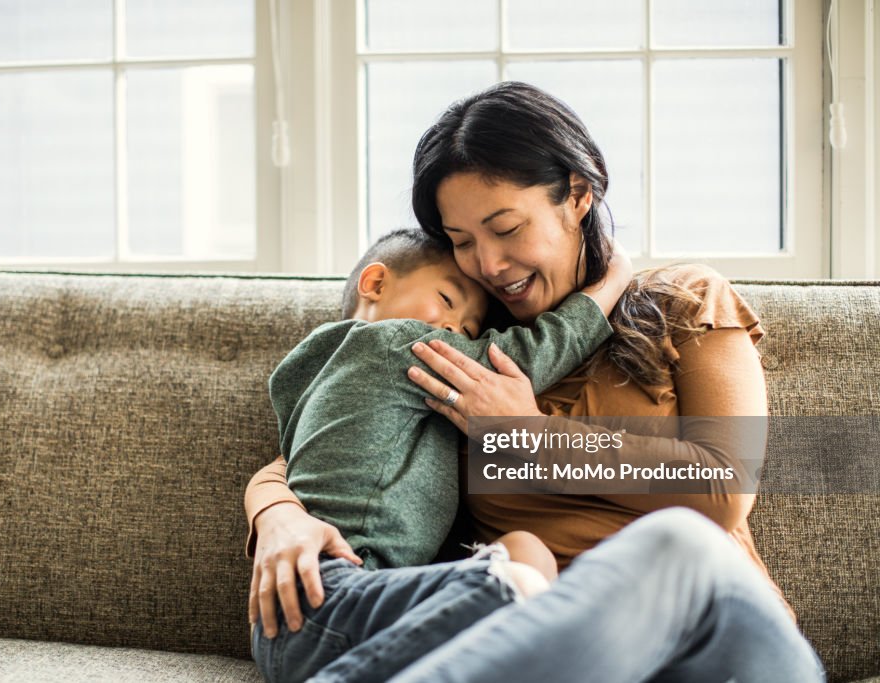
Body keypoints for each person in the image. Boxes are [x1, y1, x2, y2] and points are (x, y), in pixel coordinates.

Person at [246, 81, 825, 682]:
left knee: (678, 541)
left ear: (578, 194)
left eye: (506, 228)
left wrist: (529, 436)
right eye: (462, 242)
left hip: (718, 646)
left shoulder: (683, 300)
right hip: (550, 661)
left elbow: (724, 490)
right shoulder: (470, 348)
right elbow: (321, 442)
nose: (488, 265)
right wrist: (278, 517)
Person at [253, 226, 631, 683]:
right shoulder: (393, 344)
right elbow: (525, 359)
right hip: (334, 593)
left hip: (306, 616)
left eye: (470, 329)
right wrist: (609, 283)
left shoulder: (311, 378)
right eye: (448, 301)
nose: (456, 330)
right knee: (523, 573)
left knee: (520, 555)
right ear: (375, 284)